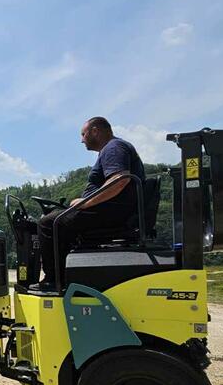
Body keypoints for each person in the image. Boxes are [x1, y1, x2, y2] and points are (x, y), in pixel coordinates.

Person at [34, 116, 145, 290]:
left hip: (110, 213)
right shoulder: (113, 148)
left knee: (47, 224)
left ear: (95, 131)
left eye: (83, 134)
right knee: (59, 219)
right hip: (112, 211)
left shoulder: (114, 147)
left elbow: (119, 180)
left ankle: (53, 280)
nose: (81, 139)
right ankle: (68, 275)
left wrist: (84, 203)